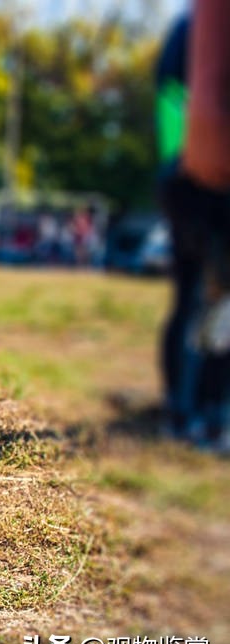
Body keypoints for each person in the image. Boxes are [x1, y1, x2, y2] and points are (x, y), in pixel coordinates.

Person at [157, 2, 230, 452]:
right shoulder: (199, 26)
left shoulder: (188, 27)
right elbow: (175, 102)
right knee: (209, 305)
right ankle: (198, 415)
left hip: (186, 175)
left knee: (198, 302)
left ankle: (189, 411)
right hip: (202, 179)